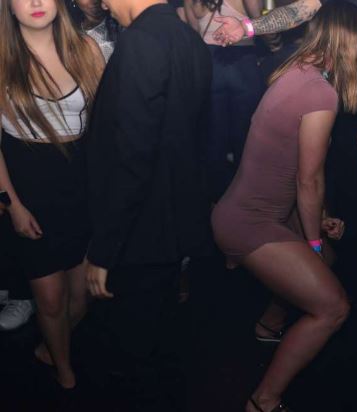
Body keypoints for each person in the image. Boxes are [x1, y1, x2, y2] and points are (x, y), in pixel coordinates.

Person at [211, 2, 357, 410]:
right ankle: (263, 400)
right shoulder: (320, 93)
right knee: (334, 308)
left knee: (327, 259)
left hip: (252, 210)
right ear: (349, 41)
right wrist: (312, 243)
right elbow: (308, 179)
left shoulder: (297, 71)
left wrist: (321, 220)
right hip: (249, 222)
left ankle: (271, 323)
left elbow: (297, 170)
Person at [85, 0, 212, 408]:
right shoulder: (189, 39)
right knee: (161, 344)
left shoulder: (141, 41)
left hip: (141, 231)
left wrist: (104, 250)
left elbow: (132, 157)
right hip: (171, 225)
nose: (104, 3)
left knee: (133, 355)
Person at [0, 0, 104, 389]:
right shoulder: (2, 59)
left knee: (83, 295)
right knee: (49, 299)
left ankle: (49, 348)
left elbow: (105, 128)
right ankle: (64, 371)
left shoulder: (87, 50)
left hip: (80, 192)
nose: (36, 2)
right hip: (30, 196)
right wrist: (13, 205)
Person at [184, 0, 265, 201]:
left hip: (209, 61)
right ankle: (244, 199)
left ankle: (215, 200)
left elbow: (194, 31)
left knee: (213, 137)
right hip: (242, 59)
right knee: (245, 137)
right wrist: (275, 45)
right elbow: (259, 20)